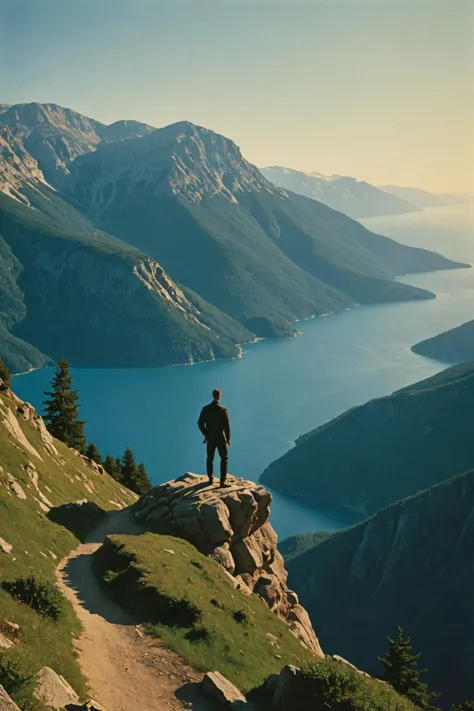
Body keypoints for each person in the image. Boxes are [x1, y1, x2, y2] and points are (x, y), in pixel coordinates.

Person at [197, 388, 231, 487]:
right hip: (220, 437)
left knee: (210, 458)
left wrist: (206, 434)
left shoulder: (205, 409)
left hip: (210, 437)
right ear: (219, 396)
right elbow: (227, 426)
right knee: (224, 458)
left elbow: (200, 423)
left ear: (213, 396)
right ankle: (222, 481)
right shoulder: (223, 409)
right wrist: (228, 438)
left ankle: (210, 479)